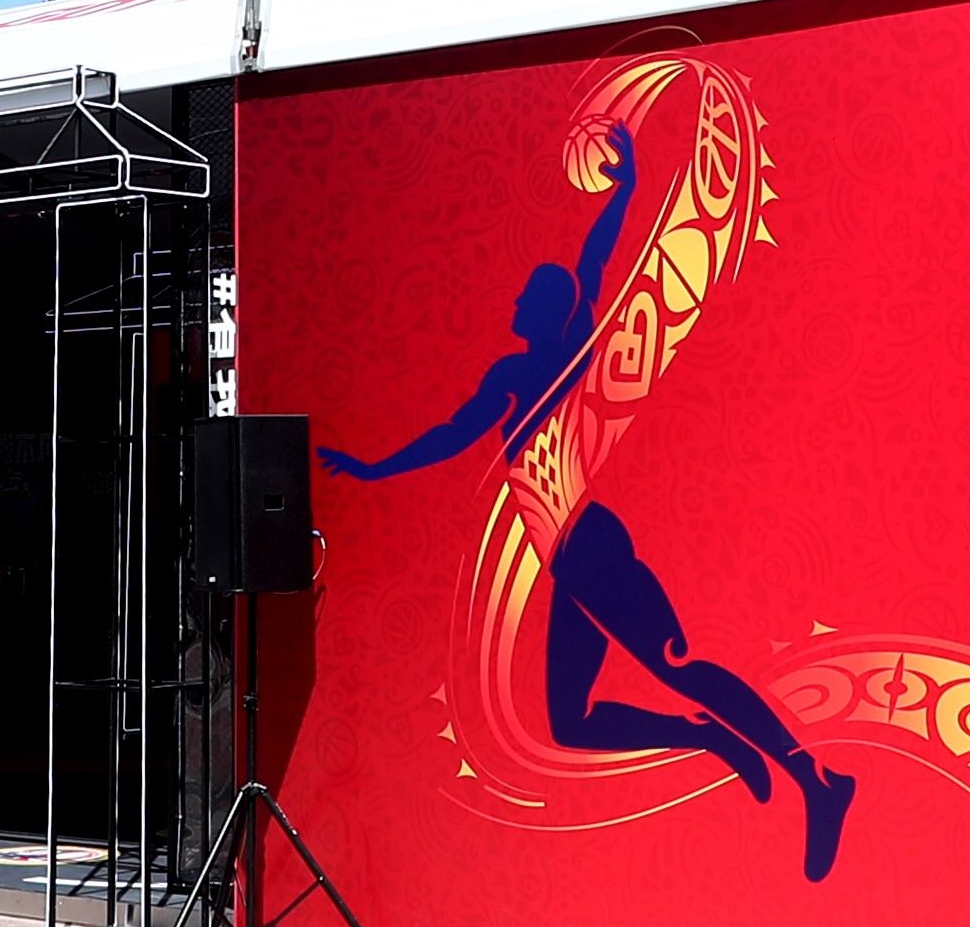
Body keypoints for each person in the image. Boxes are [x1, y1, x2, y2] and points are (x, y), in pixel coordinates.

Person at [323, 122, 859, 881]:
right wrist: (373, 468)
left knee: (676, 662)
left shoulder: (553, 357)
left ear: (548, 311)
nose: (515, 300)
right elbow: (453, 433)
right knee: (571, 721)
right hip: (570, 563)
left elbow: (593, 265)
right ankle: (713, 738)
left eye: (527, 296)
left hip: (589, 545)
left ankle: (816, 776)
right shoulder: (514, 372)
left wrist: (628, 191)